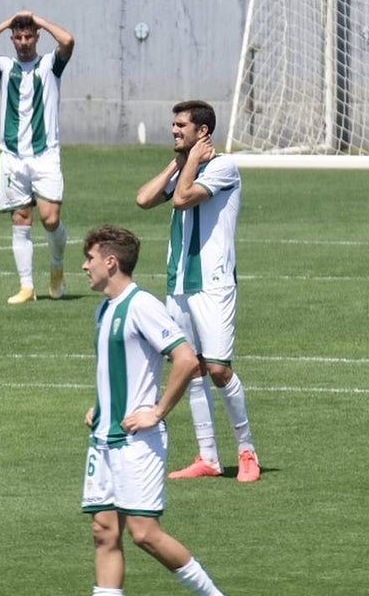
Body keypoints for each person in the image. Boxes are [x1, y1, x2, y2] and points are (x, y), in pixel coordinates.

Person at [80, 225, 226, 596]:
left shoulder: (141, 305)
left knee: (144, 533)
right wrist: (101, 406)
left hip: (136, 440)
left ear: (110, 262)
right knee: (104, 531)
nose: (85, 266)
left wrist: (157, 412)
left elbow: (186, 358)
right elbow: (121, 366)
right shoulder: (105, 309)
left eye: (90, 258)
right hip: (103, 439)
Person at [135, 100, 260, 483]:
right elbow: (143, 199)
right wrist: (178, 161)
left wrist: (187, 165)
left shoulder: (223, 168)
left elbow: (184, 197)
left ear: (202, 131)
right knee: (191, 368)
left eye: (181, 126)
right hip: (178, 285)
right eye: (173, 125)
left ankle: (247, 451)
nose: (174, 131)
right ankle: (207, 456)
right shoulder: (184, 167)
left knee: (219, 369)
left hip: (213, 285)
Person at [0, 11, 74, 304]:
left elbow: (68, 40)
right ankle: (27, 287)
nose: (24, 42)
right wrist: (5, 23)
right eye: (19, 37)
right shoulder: (4, 67)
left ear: (37, 37)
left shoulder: (50, 65)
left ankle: (56, 267)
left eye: (29, 36)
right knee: (21, 218)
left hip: (45, 154)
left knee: (50, 219)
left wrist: (38, 20)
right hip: (13, 157)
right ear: (12, 39)